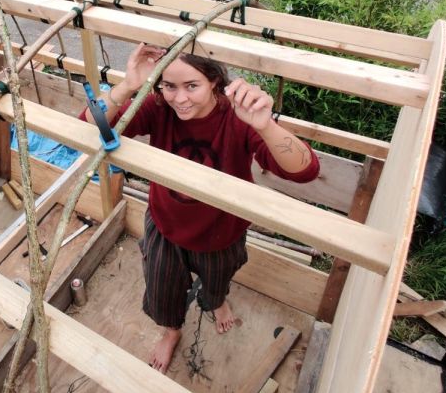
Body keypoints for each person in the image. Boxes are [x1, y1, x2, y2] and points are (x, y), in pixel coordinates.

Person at [85, 43, 320, 373]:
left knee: (218, 280)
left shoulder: (238, 119)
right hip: (165, 225)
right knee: (161, 286)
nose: (179, 99)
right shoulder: (157, 107)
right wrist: (127, 86)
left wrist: (264, 125)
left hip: (221, 231)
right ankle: (171, 330)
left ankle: (216, 302)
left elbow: (305, 171)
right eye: (169, 86)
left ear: (214, 82)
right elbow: (91, 124)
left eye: (191, 86)